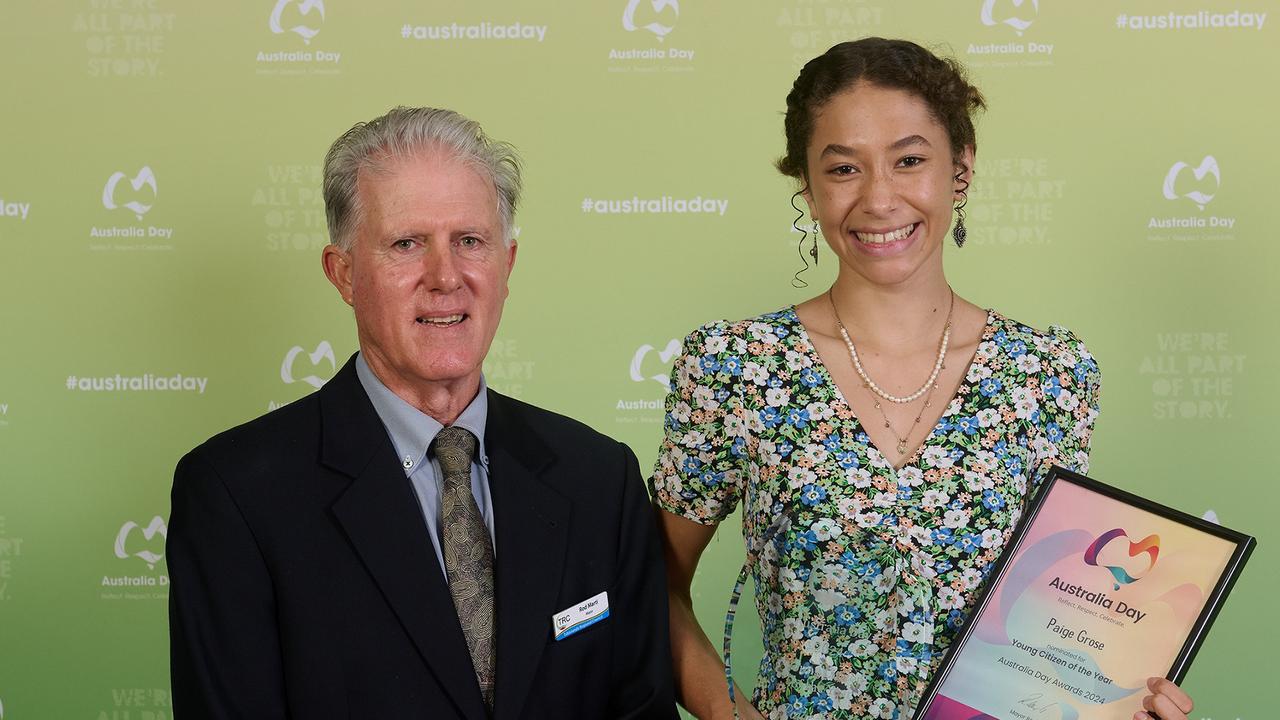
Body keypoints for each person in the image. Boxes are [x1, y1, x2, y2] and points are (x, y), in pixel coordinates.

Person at [650, 39, 1195, 720]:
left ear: (960, 170)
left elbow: (1062, 624)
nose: (880, 199)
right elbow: (656, 588)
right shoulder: (735, 366)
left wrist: (1118, 702)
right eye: (844, 168)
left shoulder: (1051, 375)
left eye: (910, 161)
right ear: (809, 189)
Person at [167, 106, 677, 720]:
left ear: (506, 265)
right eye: (406, 244)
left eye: (469, 241)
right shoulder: (236, 496)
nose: (445, 277)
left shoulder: (600, 477)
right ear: (344, 273)